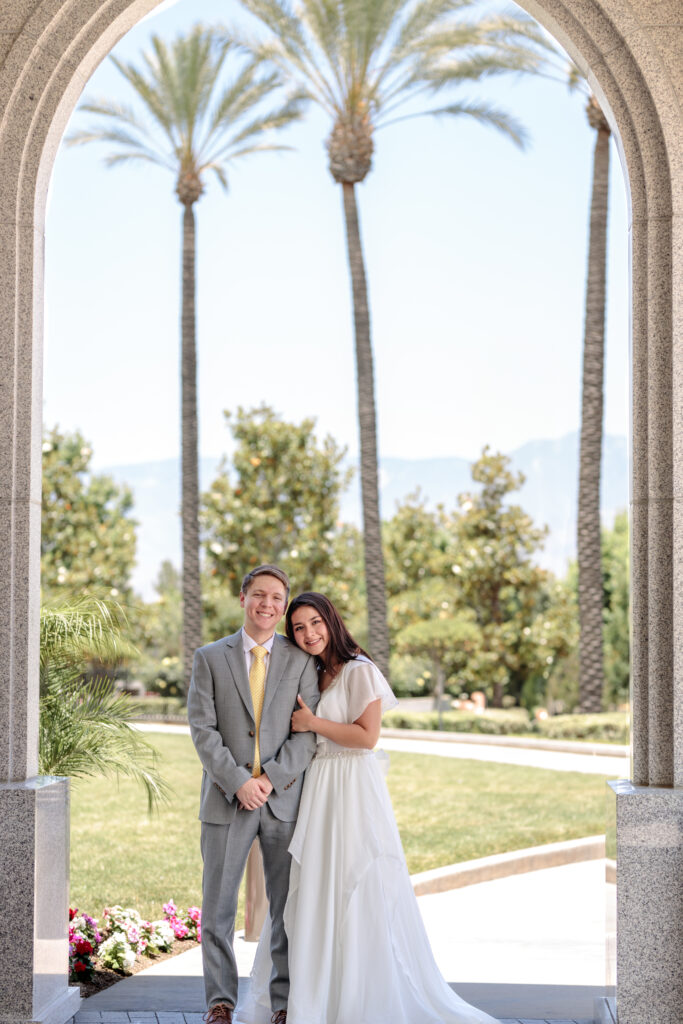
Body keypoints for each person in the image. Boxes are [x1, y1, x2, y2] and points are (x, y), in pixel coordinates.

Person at [236, 592, 498, 1024]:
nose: (309, 634)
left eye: (315, 623)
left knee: (354, 880)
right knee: (313, 884)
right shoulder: (311, 672)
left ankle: (357, 998)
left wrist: (313, 723)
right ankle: (308, 998)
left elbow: (367, 737)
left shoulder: (360, 670)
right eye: (299, 627)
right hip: (318, 787)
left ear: (331, 621)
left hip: (352, 787)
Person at [188, 566, 319, 1024]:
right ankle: (219, 1003)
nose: (268, 604)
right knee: (218, 910)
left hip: (282, 800)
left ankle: (283, 1004)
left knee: (286, 910)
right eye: (259, 594)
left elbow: (307, 735)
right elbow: (202, 729)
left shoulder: (302, 661)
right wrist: (238, 781)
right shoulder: (209, 657)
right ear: (242, 597)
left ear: (283, 607)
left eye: (277, 598)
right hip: (226, 799)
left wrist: (270, 779)